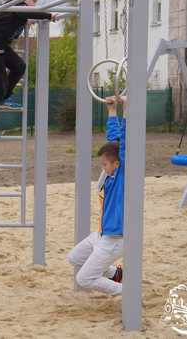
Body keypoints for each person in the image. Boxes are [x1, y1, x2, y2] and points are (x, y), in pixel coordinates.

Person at [0, 0, 57, 138]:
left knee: (19, 66)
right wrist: (49, 16)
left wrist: (29, 20)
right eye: (33, 1)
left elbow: (26, 17)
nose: (35, 4)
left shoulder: (21, 13)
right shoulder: (16, 5)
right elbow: (31, 13)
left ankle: (5, 97)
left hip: (0, 47)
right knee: (0, 85)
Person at [67, 95, 126, 296]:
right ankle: (115, 274)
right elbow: (114, 142)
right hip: (102, 234)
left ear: (116, 164)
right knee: (74, 257)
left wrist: (126, 109)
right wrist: (112, 111)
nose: (103, 167)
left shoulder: (121, 176)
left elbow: (124, 145)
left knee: (84, 278)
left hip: (115, 239)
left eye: (105, 164)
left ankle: (127, 291)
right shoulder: (110, 173)